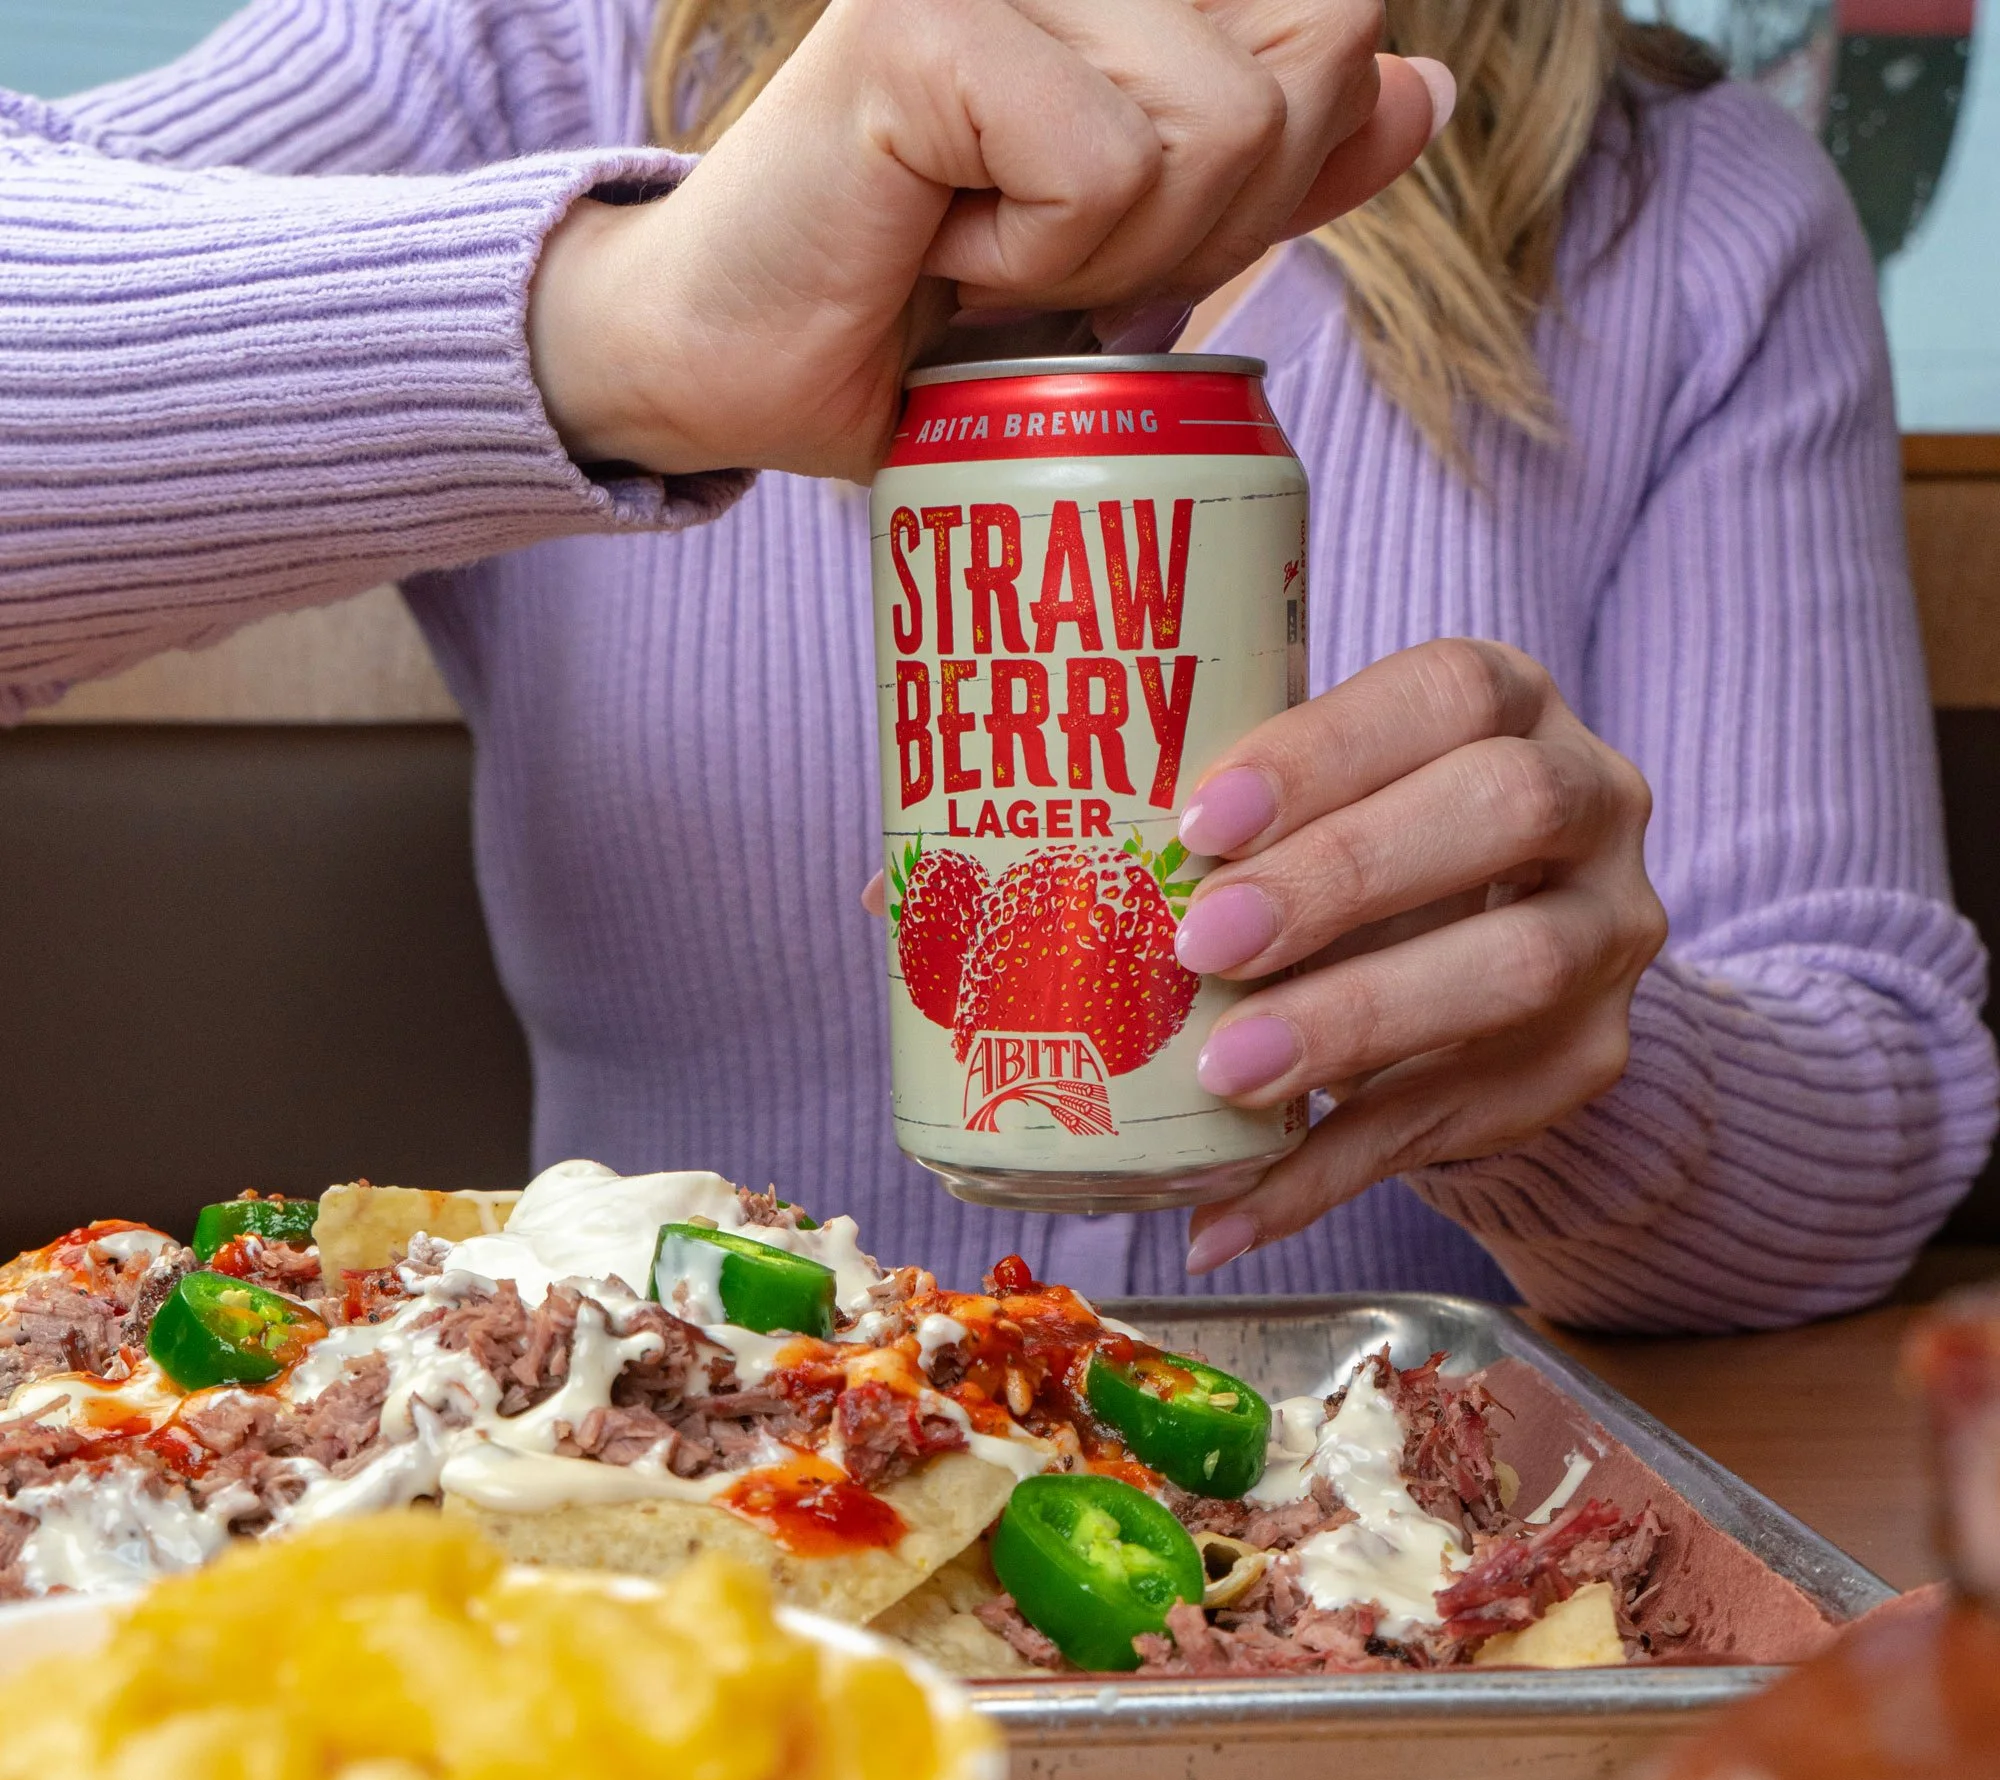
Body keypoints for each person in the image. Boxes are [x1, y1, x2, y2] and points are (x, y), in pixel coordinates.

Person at [2, 0, 1990, 1329]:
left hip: (1363, 1559)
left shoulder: (1692, 209)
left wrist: (1570, 1063)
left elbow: (1877, 1085)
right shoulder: (531, 48)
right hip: (675, 1538)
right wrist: (617, 317)